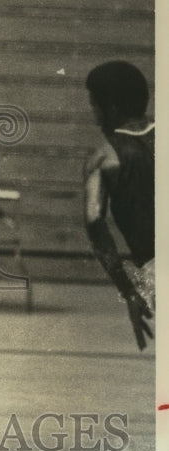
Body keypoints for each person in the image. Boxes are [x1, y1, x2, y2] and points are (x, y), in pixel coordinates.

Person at [82, 60, 155, 351]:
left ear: (111, 107)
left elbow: (95, 224)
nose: (95, 118)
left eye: (94, 107)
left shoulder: (104, 158)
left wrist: (129, 292)